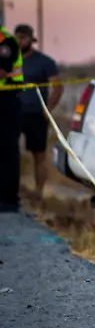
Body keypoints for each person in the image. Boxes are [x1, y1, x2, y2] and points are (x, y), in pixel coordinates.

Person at [15, 24, 63, 203]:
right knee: (9, 153)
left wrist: (47, 110)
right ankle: (12, 189)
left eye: (23, 38)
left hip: (36, 114)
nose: (20, 41)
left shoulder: (45, 62)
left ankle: (39, 192)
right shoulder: (9, 60)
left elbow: (58, 88)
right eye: (17, 37)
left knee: (38, 154)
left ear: (30, 39)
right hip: (13, 113)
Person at [0, 25, 24, 213]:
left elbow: (2, 71)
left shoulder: (6, 41)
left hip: (6, 100)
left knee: (7, 151)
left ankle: (9, 200)